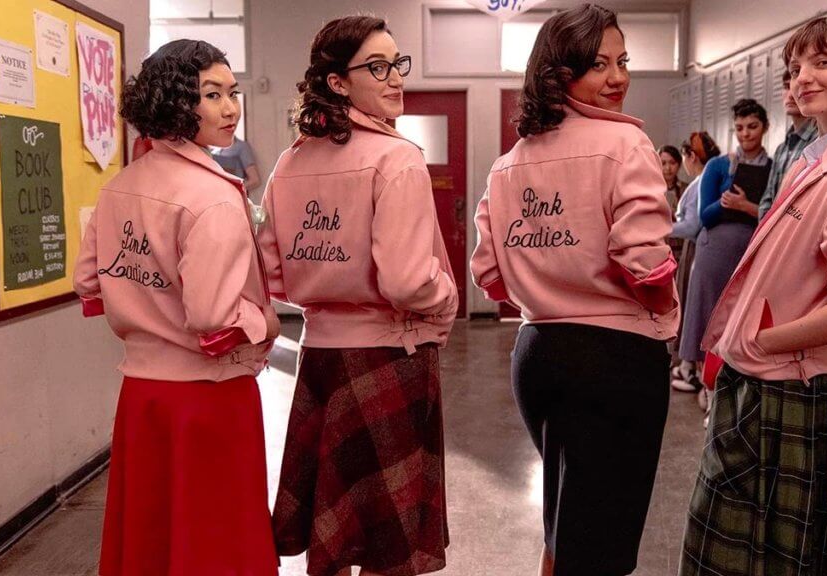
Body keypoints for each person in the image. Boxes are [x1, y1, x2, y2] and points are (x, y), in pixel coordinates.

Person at [679, 15, 827, 576]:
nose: (802, 78)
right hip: (774, 374)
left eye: (823, 63)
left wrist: (762, 340)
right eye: (796, 67)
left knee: (775, 554)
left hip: (792, 385)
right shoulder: (819, 155)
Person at [470, 5, 678, 575]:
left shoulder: (508, 163)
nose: (617, 78)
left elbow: (488, 273)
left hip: (537, 355)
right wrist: (664, 317)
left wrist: (546, 286)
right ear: (560, 73)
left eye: (622, 61)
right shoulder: (625, 145)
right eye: (598, 65)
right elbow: (645, 263)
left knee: (566, 525)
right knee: (602, 546)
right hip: (613, 358)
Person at [258, 16, 457, 576]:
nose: (395, 78)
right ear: (338, 83)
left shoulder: (290, 162)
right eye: (377, 67)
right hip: (389, 356)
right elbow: (407, 281)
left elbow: (272, 273)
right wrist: (445, 299)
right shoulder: (397, 158)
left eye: (397, 63)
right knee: (387, 542)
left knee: (336, 529)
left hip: (320, 358)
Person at [73, 39, 280, 575]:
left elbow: (87, 280)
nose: (230, 108)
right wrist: (265, 320)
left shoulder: (119, 187)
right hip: (209, 397)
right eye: (211, 95)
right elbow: (214, 318)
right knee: (216, 541)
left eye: (232, 93)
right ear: (175, 101)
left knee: (149, 536)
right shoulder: (214, 198)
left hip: (142, 393)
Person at [678, 99, 771, 397]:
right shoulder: (719, 165)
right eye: (740, 128)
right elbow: (704, 216)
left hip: (751, 248)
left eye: (752, 127)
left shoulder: (773, 167)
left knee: (740, 318)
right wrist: (725, 203)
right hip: (714, 248)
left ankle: (734, 384)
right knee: (708, 314)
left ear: (765, 128)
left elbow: (775, 214)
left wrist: (745, 206)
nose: (746, 134)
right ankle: (708, 385)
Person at [668, 131, 720, 393]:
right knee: (689, 306)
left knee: (694, 307)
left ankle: (693, 369)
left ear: (690, 156)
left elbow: (692, 225)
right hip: (694, 249)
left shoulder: (701, 184)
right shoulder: (701, 181)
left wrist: (662, 226)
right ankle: (688, 364)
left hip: (697, 249)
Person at [757, 69, 819, 220]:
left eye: (798, 85)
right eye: (786, 86)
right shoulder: (781, 149)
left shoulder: (818, 142)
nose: (791, 94)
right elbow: (768, 198)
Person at [659, 144, 684, 214]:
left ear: (679, 165)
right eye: (663, 163)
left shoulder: (686, 189)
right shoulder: (650, 189)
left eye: (672, 163)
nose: (668, 168)